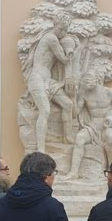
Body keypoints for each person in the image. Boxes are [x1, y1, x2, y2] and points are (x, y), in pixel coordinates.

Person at [63, 66, 112, 180]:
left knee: (110, 136)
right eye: (85, 79)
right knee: (79, 138)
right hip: (92, 126)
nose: (86, 81)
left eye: (89, 78)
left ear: (98, 79)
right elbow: (75, 113)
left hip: (106, 125)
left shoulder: (109, 93)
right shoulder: (84, 94)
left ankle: (111, 169)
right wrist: (73, 97)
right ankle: (74, 172)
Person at [23, 11, 76, 152]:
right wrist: (70, 50)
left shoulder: (54, 37)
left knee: (68, 104)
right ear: (55, 25)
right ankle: (41, 149)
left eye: (65, 29)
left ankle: (68, 137)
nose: (63, 32)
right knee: (45, 110)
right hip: (38, 79)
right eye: (61, 28)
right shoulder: (51, 38)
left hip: (47, 79)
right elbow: (64, 59)